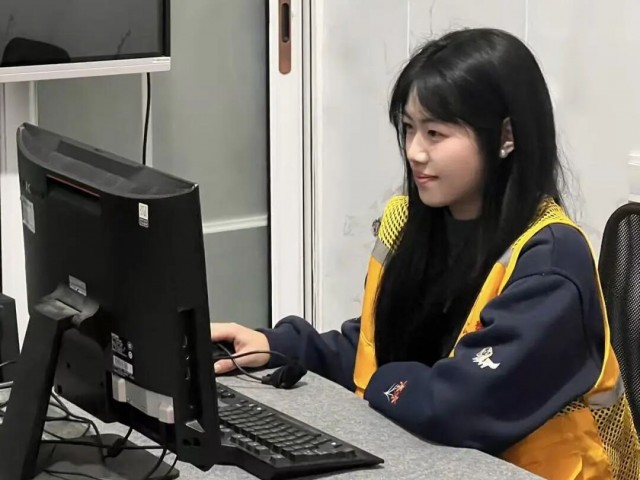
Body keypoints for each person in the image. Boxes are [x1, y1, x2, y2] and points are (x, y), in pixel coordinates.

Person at [212, 28, 640, 479]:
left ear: (506, 137)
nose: (415, 152)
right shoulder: (412, 224)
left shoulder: (550, 260)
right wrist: (279, 347)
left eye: (435, 133)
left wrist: (384, 383)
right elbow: (379, 345)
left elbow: (458, 406)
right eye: (408, 128)